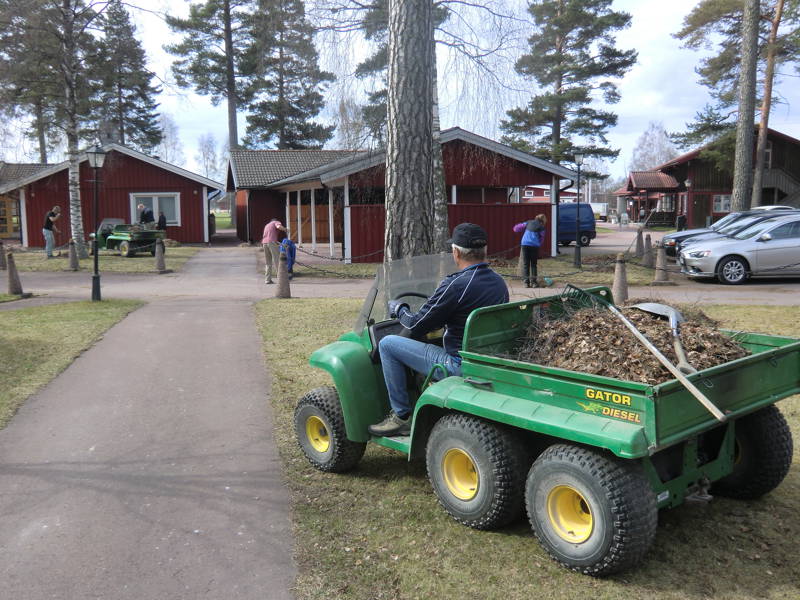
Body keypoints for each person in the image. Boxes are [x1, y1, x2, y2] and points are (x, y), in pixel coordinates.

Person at [368, 223, 509, 437]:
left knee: (387, 344)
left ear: (456, 252)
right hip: (486, 360)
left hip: (458, 364)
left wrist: (400, 309)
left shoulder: (456, 285)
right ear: (484, 251)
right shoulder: (499, 282)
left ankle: (401, 417)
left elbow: (416, 325)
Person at [513, 214, 547, 288]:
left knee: (526, 264)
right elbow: (542, 239)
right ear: (543, 221)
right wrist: (538, 244)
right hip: (534, 245)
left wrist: (515, 228)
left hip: (525, 243)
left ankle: (526, 283)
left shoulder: (529, 222)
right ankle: (534, 283)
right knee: (533, 264)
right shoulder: (542, 227)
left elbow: (517, 228)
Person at [262, 217, 286, 284]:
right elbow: (278, 227)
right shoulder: (276, 222)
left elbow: (267, 236)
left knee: (268, 262)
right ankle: (280, 279)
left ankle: (267, 279)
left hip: (264, 243)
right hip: (271, 243)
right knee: (277, 260)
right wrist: (285, 229)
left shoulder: (267, 225)